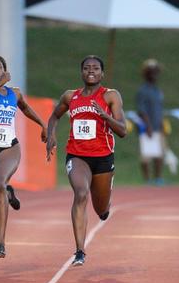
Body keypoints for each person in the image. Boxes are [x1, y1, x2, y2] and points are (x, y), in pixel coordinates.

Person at [45, 55, 127, 266]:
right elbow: (54, 116)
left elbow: (123, 130)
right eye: (87, 68)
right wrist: (51, 134)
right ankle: (80, 250)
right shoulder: (70, 96)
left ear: (102, 73)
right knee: (81, 193)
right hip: (77, 155)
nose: (91, 70)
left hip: (102, 157)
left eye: (96, 68)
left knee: (101, 209)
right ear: (81, 72)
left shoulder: (110, 96)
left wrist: (106, 116)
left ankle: (105, 203)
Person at [0, 55, 47, 258]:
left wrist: (43, 125)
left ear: (5, 70)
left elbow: (25, 108)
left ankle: (0, 243)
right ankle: (8, 193)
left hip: (9, 148)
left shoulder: (14, 93)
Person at [136, 58, 166, 185]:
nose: (154, 74)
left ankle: (158, 178)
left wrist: (162, 124)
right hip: (146, 128)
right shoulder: (143, 91)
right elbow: (141, 110)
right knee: (146, 156)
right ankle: (147, 180)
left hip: (158, 126)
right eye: (151, 71)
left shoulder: (157, 90)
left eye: (156, 71)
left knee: (160, 155)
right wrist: (148, 126)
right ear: (146, 73)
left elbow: (160, 109)